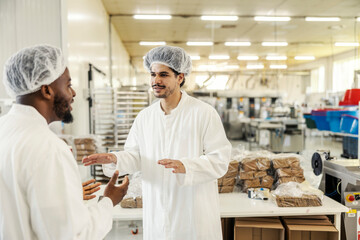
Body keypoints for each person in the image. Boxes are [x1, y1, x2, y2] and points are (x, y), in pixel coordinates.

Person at [83, 45, 232, 239]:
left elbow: (220, 159)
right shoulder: (145, 117)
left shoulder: (203, 113)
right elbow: (136, 156)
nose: (156, 80)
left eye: (163, 74)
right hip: (157, 211)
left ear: (180, 77)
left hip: (193, 213)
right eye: (152, 74)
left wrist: (186, 166)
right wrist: (114, 158)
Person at [0, 45, 129, 240]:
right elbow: (74, 234)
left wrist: (71, 196)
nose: (74, 93)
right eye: (68, 85)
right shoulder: (49, 148)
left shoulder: (5, 129)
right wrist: (109, 200)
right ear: (47, 91)